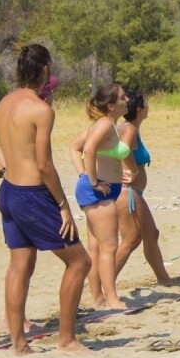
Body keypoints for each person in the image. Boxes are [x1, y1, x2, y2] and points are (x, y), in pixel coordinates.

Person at [0, 44, 90, 356]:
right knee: (79, 261)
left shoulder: (6, 102)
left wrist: (1, 170)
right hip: (32, 195)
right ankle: (67, 340)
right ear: (45, 70)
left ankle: (19, 345)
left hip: (8, 192)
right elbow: (44, 165)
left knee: (20, 266)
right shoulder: (41, 109)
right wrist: (63, 205)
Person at [71, 84, 131, 310]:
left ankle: (97, 298)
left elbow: (74, 147)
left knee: (96, 248)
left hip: (105, 189)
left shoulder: (108, 125)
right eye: (123, 97)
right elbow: (87, 149)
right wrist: (91, 179)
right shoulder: (105, 123)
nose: (128, 99)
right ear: (111, 105)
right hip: (97, 192)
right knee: (109, 246)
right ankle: (112, 299)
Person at [110, 89, 174, 287]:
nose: (148, 106)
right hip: (127, 192)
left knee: (151, 234)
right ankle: (105, 284)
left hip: (134, 192)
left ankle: (164, 278)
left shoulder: (128, 127)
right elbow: (123, 151)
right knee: (130, 240)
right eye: (145, 103)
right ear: (139, 109)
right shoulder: (128, 129)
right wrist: (131, 171)